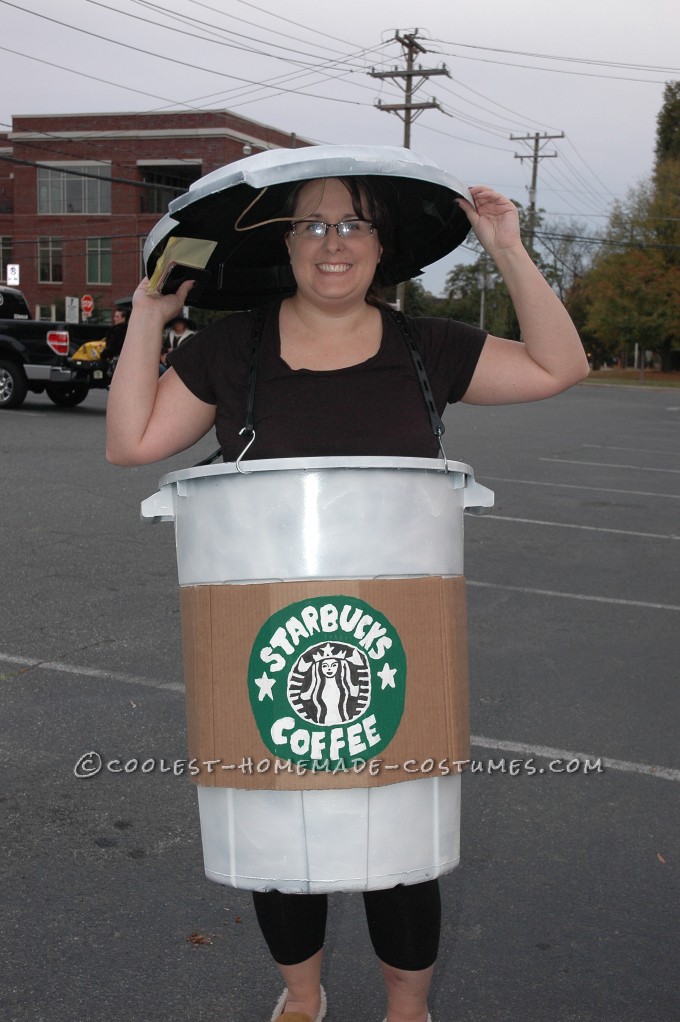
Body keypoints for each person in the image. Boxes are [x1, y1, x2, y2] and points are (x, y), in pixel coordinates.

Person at [106, 170, 589, 1022]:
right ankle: (302, 998)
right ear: (284, 245)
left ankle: (409, 1010)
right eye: (313, 226)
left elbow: (561, 365)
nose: (334, 243)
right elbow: (131, 442)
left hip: (396, 633)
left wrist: (506, 246)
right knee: (277, 838)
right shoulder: (230, 349)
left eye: (355, 225)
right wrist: (150, 317)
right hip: (263, 630)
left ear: (382, 247)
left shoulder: (425, 348)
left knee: (399, 854)